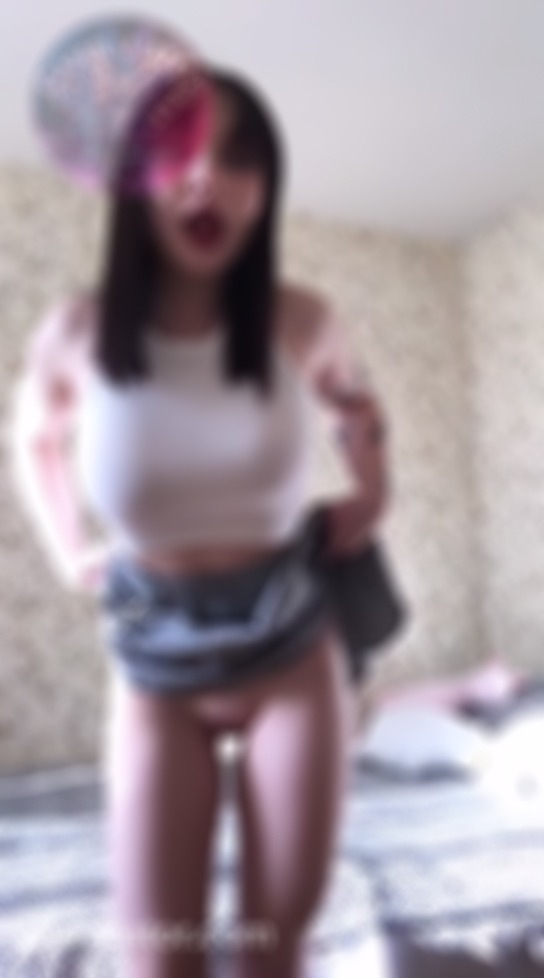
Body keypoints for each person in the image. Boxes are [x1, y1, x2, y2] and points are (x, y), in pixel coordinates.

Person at [10, 66, 389, 978]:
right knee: (161, 959)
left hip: (292, 654)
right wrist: (66, 547)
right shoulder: (75, 333)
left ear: (266, 188)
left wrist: (376, 491)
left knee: (272, 951)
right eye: (178, 155)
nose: (206, 179)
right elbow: (32, 438)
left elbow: (356, 400)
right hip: (154, 663)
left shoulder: (303, 321)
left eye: (238, 158)